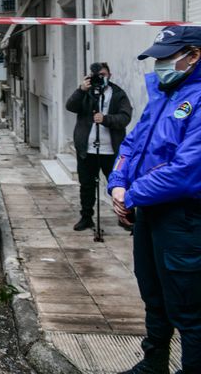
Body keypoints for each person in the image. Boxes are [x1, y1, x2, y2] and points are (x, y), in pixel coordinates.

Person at [109, 26, 201, 374]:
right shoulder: (164, 93)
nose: (159, 64)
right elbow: (132, 144)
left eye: (166, 57)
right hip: (149, 212)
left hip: (184, 219)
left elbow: (187, 170)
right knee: (154, 297)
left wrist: (131, 194)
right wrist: (118, 183)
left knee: (189, 309)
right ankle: (154, 364)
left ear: (194, 55)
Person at [65, 62, 132, 231]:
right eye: (97, 76)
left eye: (103, 75)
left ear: (110, 74)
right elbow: (70, 106)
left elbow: (125, 117)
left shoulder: (118, 94)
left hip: (111, 150)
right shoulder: (86, 93)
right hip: (87, 150)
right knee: (86, 186)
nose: (100, 79)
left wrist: (106, 119)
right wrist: (81, 90)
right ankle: (86, 217)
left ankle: (126, 217)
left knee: (119, 184)